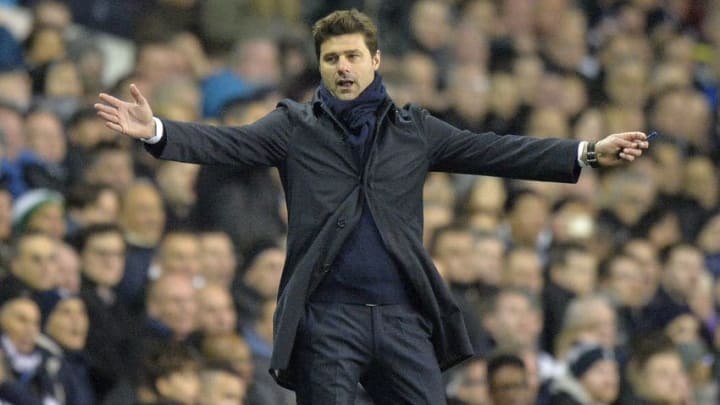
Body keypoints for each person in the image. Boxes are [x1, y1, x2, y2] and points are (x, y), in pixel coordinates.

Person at [94, 9, 650, 404]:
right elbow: (227, 143)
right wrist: (157, 131)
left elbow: (497, 151)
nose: (342, 67)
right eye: (331, 57)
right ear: (320, 66)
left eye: (352, 56)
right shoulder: (293, 128)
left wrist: (587, 153)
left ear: (375, 60)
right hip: (327, 319)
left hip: (404, 318)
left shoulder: (417, 130)